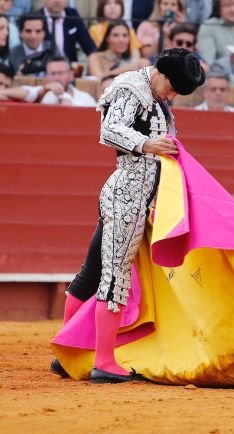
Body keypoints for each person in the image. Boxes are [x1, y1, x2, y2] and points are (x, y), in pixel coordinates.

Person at [50, 48, 206, 384]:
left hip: (137, 198)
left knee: (92, 272)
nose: (173, 95)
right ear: (162, 73)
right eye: (174, 87)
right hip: (126, 195)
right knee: (115, 276)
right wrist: (148, 145)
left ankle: (67, 353)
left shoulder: (157, 99)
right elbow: (109, 130)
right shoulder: (130, 87)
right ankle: (104, 360)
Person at [0, 55, 97, 106]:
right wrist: (44, 89)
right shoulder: (42, 92)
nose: (56, 78)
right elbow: (26, 92)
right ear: (47, 76)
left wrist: (65, 97)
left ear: (71, 75)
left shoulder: (85, 98)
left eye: (60, 73)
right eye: (52, 74)